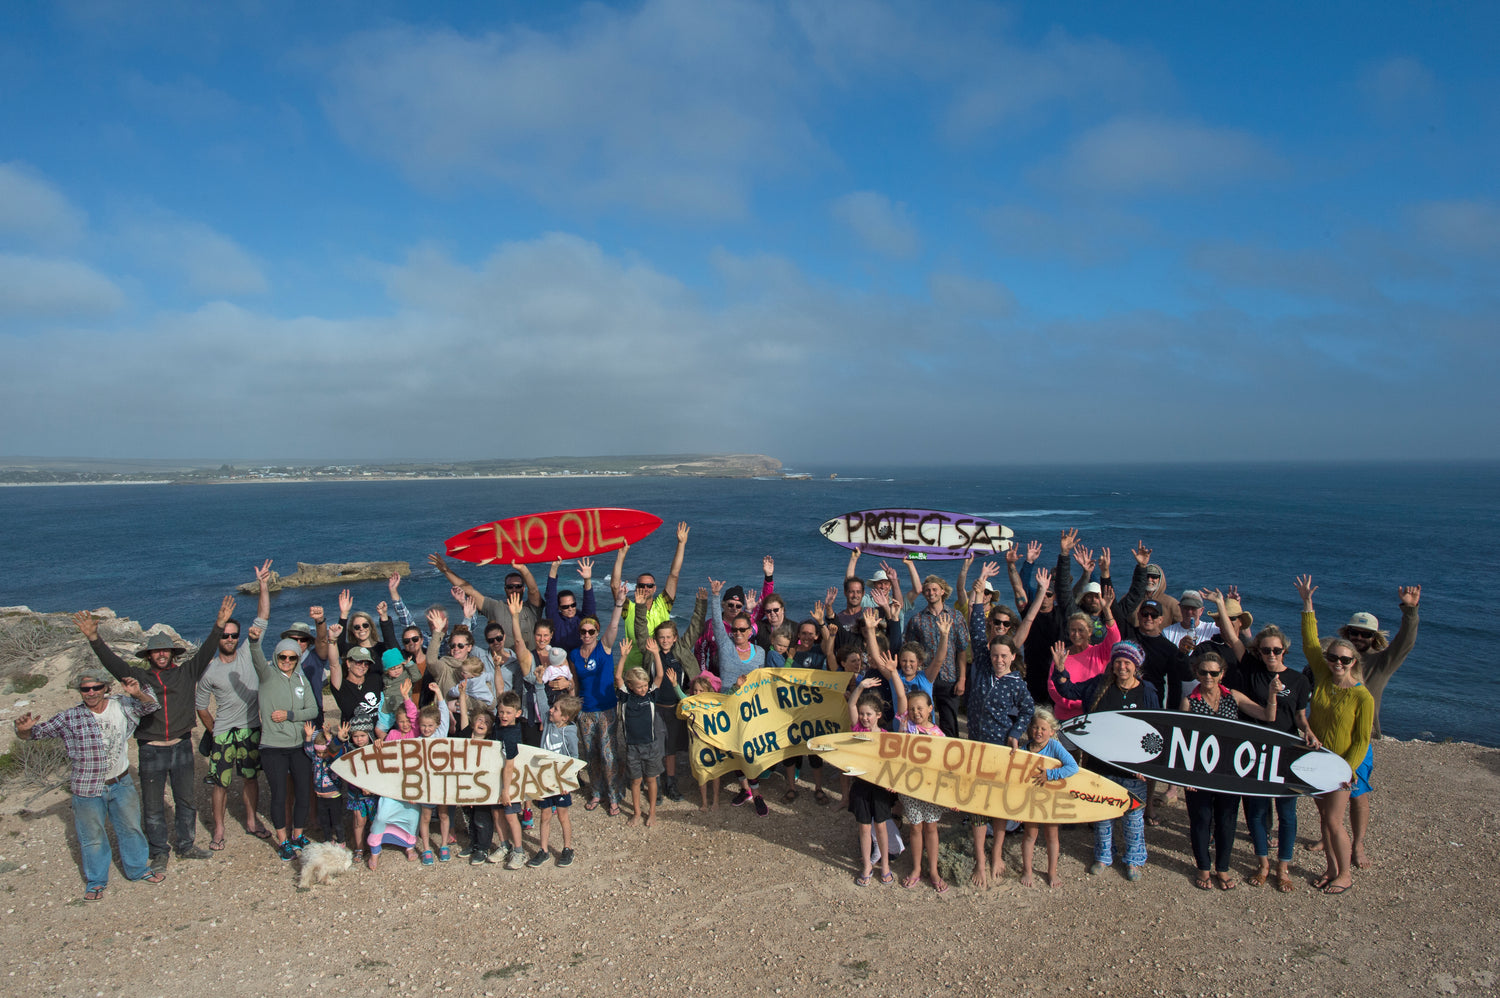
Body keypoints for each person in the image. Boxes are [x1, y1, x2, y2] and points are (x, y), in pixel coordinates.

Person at [74, 596, 233, 870]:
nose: (161, 654)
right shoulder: (140, 677)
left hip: (182, 746)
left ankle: (186, 845)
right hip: (151, 749)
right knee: (153, 805)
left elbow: (207, 650)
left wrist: (219, 625)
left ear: (173, 653)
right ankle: (159, 852)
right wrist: (94, 639)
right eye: (156, 651)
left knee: (185, 800)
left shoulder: (187, 672)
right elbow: (113, 664)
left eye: (165, 650)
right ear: (149, 655)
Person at [12, 668, 167, 901]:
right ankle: (96, 881)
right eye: (86, 689)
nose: (91, 692)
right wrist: (23, 731)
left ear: (106, 688)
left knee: (131, 829)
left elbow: (151, 706)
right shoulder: (70, 717)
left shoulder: (121, 705)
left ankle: (138, 870)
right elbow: (36, 733)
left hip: (121, 782)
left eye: (96, 687)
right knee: (92, 836)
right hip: (87, 787)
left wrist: (137, 693)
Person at [1205, 592, 1315, 893]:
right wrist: (1219, 604)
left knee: (1287, 813)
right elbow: (1232, 637)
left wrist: (1309, 731)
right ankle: (1263, 863)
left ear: (1284, 650)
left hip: (1286, 752)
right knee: (1255, 811)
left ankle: (1284, 867)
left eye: (1276, 650)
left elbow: (1300, 716)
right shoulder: (1252, 668)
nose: (1270, 655)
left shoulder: (1298, 680)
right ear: (1259, 651)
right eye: (1265, 650)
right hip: (1253, 751)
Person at [1051, 639, 1159, 881]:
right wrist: (1060, 669)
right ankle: (1103, 856)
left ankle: (1134, 860)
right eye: (1118, 662)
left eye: (1127, 662)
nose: (1122, 667)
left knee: (1133, 817)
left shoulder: (1147, 691)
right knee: (1102, 814)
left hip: (1133, 768)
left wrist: (1148, 765)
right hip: (1100, 766)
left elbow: (1156, 730)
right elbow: (1068, 691)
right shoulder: (1099, 685)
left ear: (1136, 665)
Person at [1296, 574, 1374, 896]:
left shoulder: (1362, 696)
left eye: (1344, 659)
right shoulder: (1324, 677)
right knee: (1323, 819)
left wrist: (1348, 769)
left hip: (1340, 766)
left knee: (1333, 821)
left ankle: (1345, 874)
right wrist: (1307, 604)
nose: (1338, 663)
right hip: (1317, 759)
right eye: (1333, 658)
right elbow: (1309, 643)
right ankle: (1330, 868)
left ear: (1353, 662)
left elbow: (1362, 740)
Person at [1180, 649, 1275, 891]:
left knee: (1227, 820)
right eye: (1204, 672)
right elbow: (1181, 741)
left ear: (1222, 674)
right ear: (1197, 673)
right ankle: (1203, 867)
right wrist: (1184, 776)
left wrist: (1273, 694)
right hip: (1198, 772)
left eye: (1213, 673)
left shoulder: (1233, 696)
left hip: (1228, 772)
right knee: (1201, 820)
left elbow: (1267, 715)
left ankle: (1222, 868)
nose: (1208, 677)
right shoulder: (1189, 701)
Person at [195, 561, 272, 848]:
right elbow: (201, 706)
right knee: (220, 782)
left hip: (251, 727)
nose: (229, 639)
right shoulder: (210, 671)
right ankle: (218, 829)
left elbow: (262, 616)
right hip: (224, 733)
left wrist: (263, 585)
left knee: (251, 778)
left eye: (233, 635)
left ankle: (251, 821)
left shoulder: (248, 653)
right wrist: (214, 729)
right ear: (218, 638)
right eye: (225, 635)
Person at [709, 577, 786, 817]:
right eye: (735, 630)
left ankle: (757, 793)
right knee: (733, 753)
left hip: (751, 711)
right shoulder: (725, 647)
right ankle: (746, 790)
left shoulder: (760, 652)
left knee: (749, 753)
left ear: (750, 630)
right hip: (728, 707)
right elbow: (717, 624)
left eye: (743, 629)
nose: (738, 633)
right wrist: (715, 595)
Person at [251, 624, 323, 862]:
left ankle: (298, 835)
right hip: (273, 747)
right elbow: (256, 656)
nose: (287, 661)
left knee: (303, 792)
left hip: (299, 745)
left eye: (292, 658)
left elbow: (312, 710)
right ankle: (282, 841)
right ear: (276, 656)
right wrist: (254, 641)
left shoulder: (301, 679)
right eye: (283, 657)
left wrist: (290, 715)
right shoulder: (268, 675)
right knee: (279, 795)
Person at [886, 669, 948, 894]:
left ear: (930, 709)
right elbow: (901, 696)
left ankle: (933, 870)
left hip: (930, 788)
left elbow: (945, 766)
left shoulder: (939, 736)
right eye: (912, 709)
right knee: (915, 827)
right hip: (909, 787)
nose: (915, 712)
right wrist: (893, 673)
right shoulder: (906, 726)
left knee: (931, 827)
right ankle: (916, 868)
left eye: (920, 708)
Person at [572, 592, 626, 816]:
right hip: (585, 712)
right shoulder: (574, 654)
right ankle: (596, 791)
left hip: (606, 710)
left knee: (608, 754)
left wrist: (619, 603)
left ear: (597, 632)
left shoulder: (604, 648)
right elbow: (575, 683)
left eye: (591, 631)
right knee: (591, 754)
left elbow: (613, 626)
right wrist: (574, 707)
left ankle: (614, 795)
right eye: (583, 631)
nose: (587, 635)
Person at [428, 553, 543, 655]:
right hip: (503, 664)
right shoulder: (495, 607)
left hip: (531, 663)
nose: (514, 589)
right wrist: (446, 571)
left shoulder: (532, 608)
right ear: (505, 589)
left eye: (518, 586)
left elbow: (534, 590)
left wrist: (523, 569)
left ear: (523, 588)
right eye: (510, 587)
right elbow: (470, 591)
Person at [903, 573, 969, 737]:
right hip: (925, 678)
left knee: (950, 723)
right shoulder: (917, 620)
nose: (931, 593)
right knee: (923, 721)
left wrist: (962, 679)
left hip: (949, 677)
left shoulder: (956, 617)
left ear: (942, 591)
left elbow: (962, 650)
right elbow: (911, 651)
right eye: (927, 590)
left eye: (934, 589)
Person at [1019, 708, 1079, 888]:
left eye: (1043, 729)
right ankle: (1027, 870)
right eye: (1035, 727)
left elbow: (1073, 767)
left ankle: (1052, 871)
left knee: (1052, 835)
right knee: (1030, 834)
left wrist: (1051, 775)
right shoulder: (1024, 749)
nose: (1039, 732)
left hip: (1051, 799)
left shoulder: (1054, 747)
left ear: (1052, 731)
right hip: (1031, 800)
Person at [846, 676, 895, 887]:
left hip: (880, 786)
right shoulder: (857, 730)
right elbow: (851, 704)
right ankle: (867, 865)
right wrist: (860, 686)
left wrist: (892, 782)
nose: (865, 718)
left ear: (878, 715)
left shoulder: (885, 735)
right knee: (864, 828)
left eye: (869, 714)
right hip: (861, 786)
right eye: (862, 714)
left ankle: (885, 865)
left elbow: (891, 762)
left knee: (881, 827)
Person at [615, 640, 664, 827]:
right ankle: (636, 812)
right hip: (632, 747)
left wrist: (656, 653)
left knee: (651, 779)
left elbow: (659, 675)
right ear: (631, 686)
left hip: (650, 745)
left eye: (645, 685)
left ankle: (652, 812)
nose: (643, 689)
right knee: (636, 781)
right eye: (640, 686)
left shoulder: (650, 695)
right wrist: (623, 657)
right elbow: (618, 677)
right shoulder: (626, 697)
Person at [530, 695, 582, 868]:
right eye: (553, 707)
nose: (551, 710)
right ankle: (543, 850)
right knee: (544, 815)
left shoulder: (569, 733)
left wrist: (568, 781)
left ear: (565, 717)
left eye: (556, 709)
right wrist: (539, 685)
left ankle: (567, 848)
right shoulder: (548, 721)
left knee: (562, 815)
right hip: (545, 779)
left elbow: (574, 757)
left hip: (560, 781)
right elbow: (542, 703)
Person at [544, 557, 598, 652]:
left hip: (581, 659)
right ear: (559, 607)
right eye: (565, 607)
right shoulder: (556, 621)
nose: (570, 608)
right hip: (560, 660)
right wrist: (554, 568)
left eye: (573, 605)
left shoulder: (582, 620)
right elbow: (550, 597)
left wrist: (587, 580)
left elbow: (589, 603)